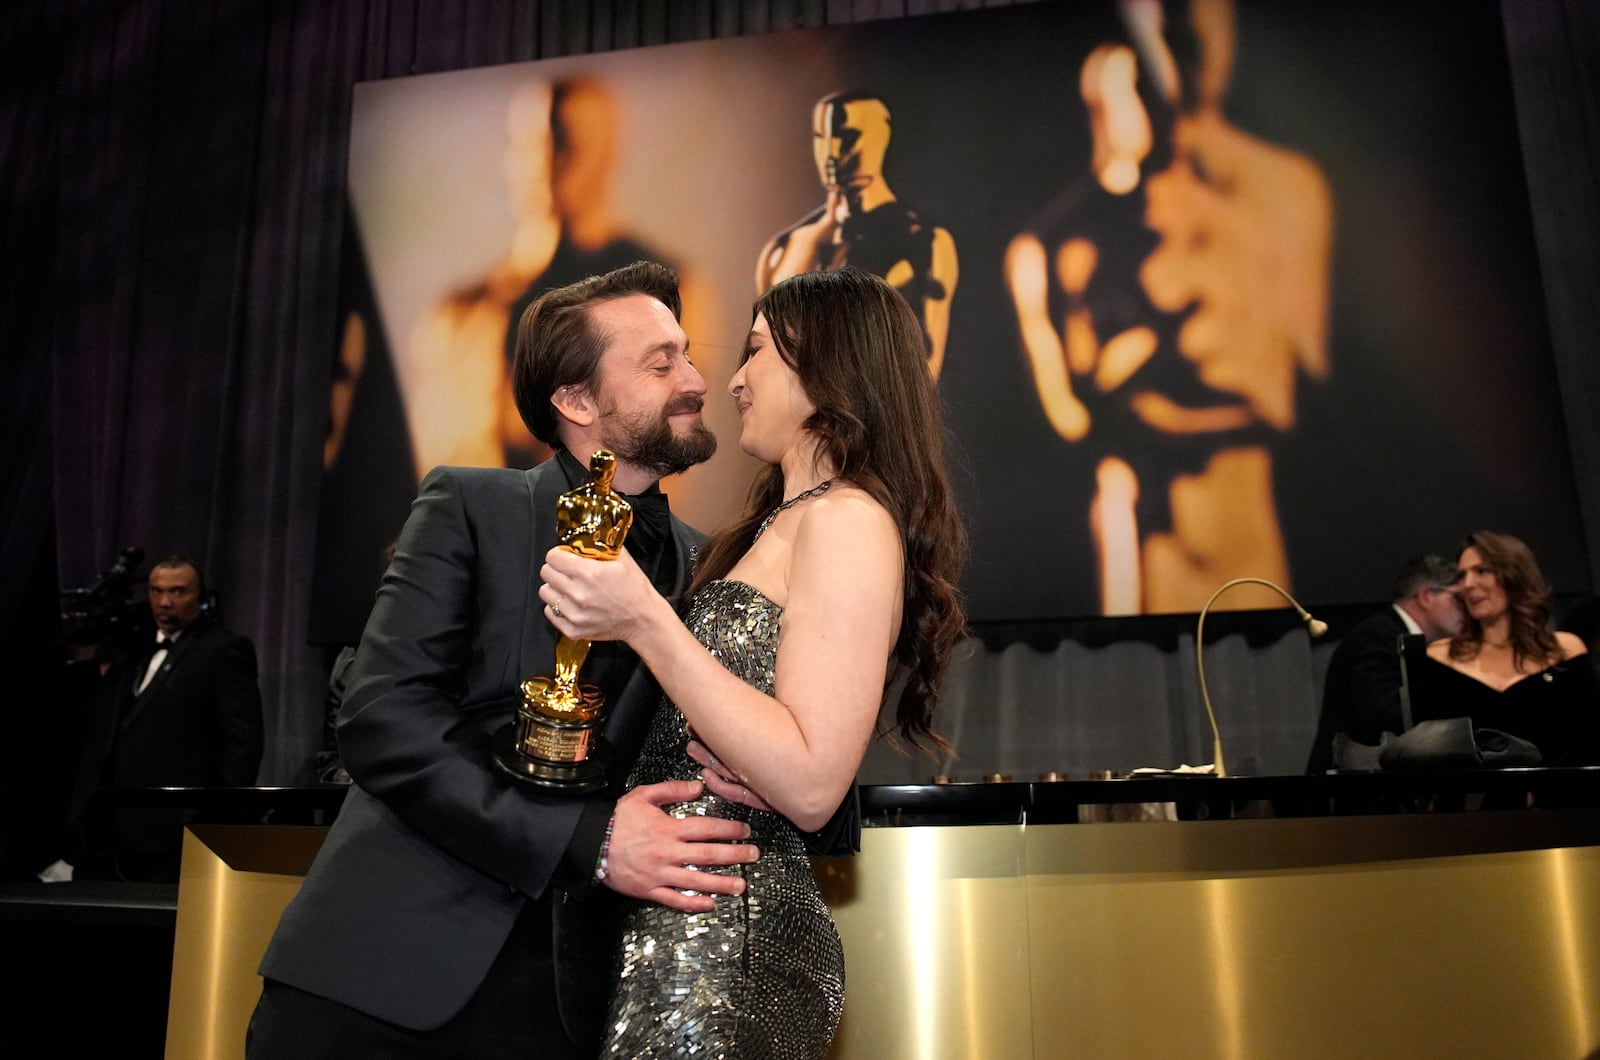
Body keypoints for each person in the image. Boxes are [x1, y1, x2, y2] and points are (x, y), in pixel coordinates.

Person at [248, 261, 775, 1059]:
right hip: (378, 989)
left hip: (572, 1013)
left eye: (689, 356)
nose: (696, 379)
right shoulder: (471, 506)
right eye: (660, 363)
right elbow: (384, 719)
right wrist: (587, 840)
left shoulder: (714, 571)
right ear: (575, 400)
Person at [541, 265, 968, 1056]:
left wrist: (644, 621)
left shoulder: (846, 519)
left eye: (758, 351)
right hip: (684, 931)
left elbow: (808, 783)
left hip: (725, 942)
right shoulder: (784, 523)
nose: (731, 380)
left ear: (824, 363)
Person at [1002, 0, 1332, 614]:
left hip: (1247, 526)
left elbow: (1296, 394)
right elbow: (1072, 414)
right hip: (1146, 528)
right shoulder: (1058, 243)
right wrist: (1142, 354)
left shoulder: (1274, 191)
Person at [49, 553, 263, 883]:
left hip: (177, 826)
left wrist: (217, 819)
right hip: (116, 827)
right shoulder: (135, 650)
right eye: (156, 591)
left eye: (178, 592)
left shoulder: (223, 650)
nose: (164, 602)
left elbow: (242, 741)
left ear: (200, 597)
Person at [756, 90, 960, 378]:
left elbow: (923, 371)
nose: (831, 152)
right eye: (821, 137)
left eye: (847, 136)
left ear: (880, 138)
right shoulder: (782, 250)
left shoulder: (922, 244)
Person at [1410, 530, 1600, 766]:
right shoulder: (1439, 657)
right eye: (1462, 575)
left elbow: (1590, 741)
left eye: (1482, 571)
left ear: (1514, 576)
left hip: (1562, 797)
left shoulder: (1565, 651)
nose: (1467, 585)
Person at [1304, 553, 1463, 774]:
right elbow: (1379, 715)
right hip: (1351, 793)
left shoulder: (1390, 634)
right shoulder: (1376, 636)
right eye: (1458, 598)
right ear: (1426, 596)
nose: (1466, 609)